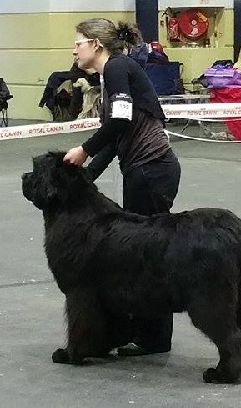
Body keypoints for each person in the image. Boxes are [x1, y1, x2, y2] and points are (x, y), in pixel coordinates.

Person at [63, 18, 181, 356]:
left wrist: (84, 150)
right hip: (145, 170)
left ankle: (155, 338)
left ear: (96, 45)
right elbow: (116, 139)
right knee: (144, 255)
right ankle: (147, 334)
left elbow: (119, 122)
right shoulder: (113, 72)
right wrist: (85, 177)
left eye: (79, 42)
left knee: (147, 257)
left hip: (150, 170)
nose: (74, 49)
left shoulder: (117, 68)